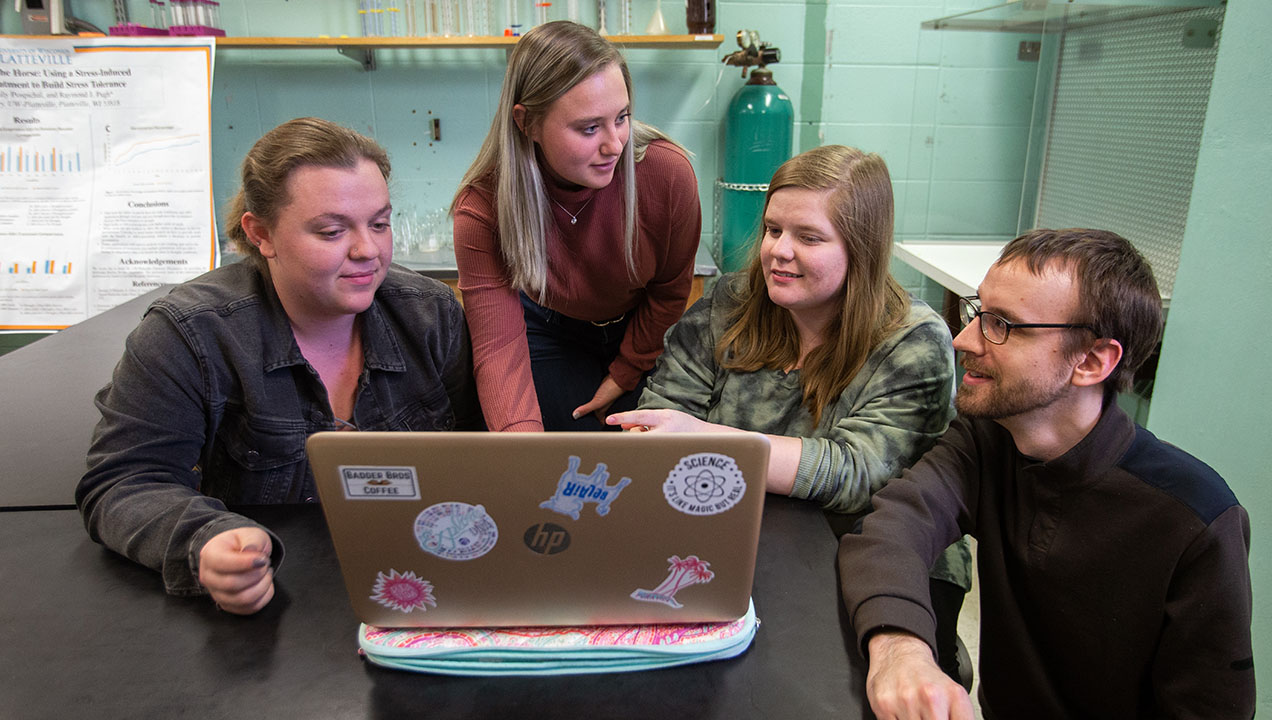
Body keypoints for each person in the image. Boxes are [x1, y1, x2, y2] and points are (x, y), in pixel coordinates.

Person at [838, 228, 1255, 719]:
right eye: (978, 313)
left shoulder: (1197, 518)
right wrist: (900, 650)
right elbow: (894, 528)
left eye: (1003, 325)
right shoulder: (987, 439)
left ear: (1093, 360)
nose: (963, 339)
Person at [77, 117, 482, 615]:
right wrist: (207, 542)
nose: (368, 251)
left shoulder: (430, 314)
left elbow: (486, 456)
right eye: (332, 231)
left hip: (422, 585)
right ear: (261, 233)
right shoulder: (190, 333)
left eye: (379, 223)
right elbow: (123, 482)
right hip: (274, 604)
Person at [606, 145, 973, 682]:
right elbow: (660, 418)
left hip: (869, 557)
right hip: (741, 533)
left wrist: (706, 438)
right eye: (773, 230)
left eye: (808, 237)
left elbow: (856, 474)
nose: (779, 251)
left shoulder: (912, 340)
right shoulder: (731, 303)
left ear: (862, 249)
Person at [452, 20, 702, 432]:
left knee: (638, 451)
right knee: (560, 452)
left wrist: (625, 371)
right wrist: (525, 458)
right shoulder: (483, 208)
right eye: (589, 128)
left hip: (640, 325)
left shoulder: (667, 174)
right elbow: (498, 350)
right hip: (549, 329)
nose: (614, 145)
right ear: (526, 122)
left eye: (622, 117)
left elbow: (669, 291)